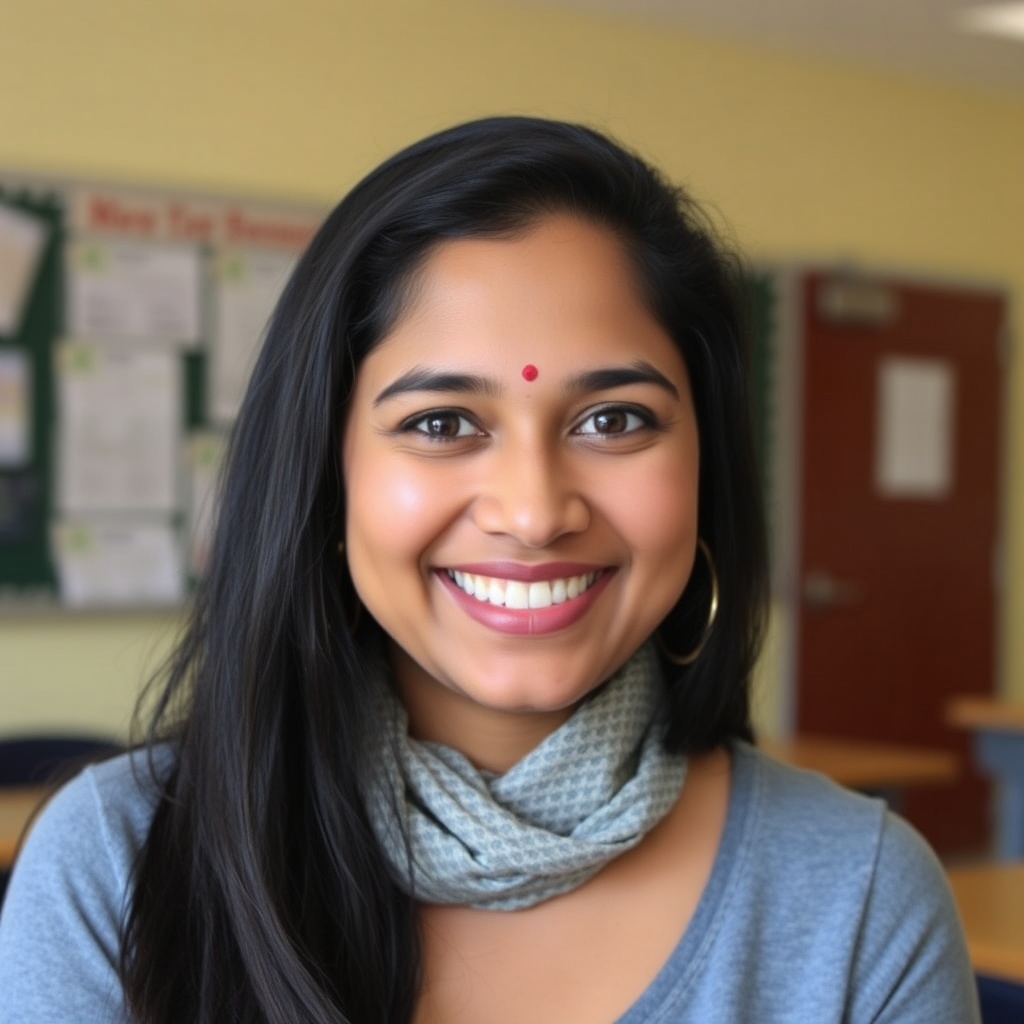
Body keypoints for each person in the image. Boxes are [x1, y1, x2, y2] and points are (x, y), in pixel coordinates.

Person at [0, 116, 978, 1023]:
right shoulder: (118, 863)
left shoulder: (859, 898)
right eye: (440, 423)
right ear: (324, 476)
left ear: (705, 469)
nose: (533, 510)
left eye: (614, 419)